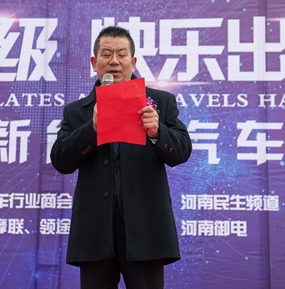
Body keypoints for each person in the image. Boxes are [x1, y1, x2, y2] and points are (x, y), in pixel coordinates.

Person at [51, 26, 192, 289]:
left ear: (133, 61)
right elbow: (61, 160)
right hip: (95, 232)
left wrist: (157, 132)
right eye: (106, 54)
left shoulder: (160, 103)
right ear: (94, 63)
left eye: (121, 54)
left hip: (145, 229)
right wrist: (91, 129)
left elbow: (182, 151)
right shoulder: (77, 111)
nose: (114, 61)